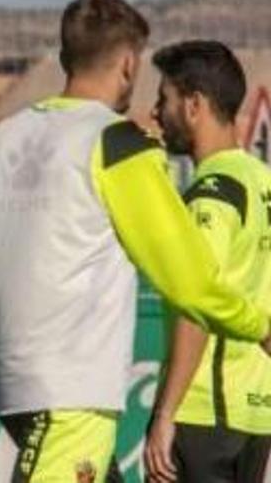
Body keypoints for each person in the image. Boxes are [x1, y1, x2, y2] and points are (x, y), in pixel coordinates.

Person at [0, 0, 271, 481]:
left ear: (64, 58)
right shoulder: (119, 145)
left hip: (14, 395)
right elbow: (189, 281)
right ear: (127, 64)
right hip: (72, 400)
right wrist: (259, 327)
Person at [143, 41, 271, 483]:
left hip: (204, 414)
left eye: (164, 100)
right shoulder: (263, 181)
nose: (156, 113)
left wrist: (165, 413)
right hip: (256, 415)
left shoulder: (212, 193)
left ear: (194, 105)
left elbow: (196, 302)